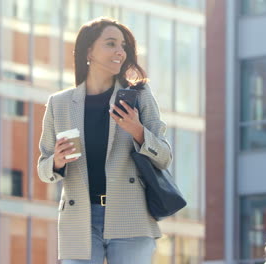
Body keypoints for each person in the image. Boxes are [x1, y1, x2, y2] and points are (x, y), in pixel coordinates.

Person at [37, 17, 172, 264]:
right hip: (80, 219)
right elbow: (43, 168)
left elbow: (164, 157)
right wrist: (56, 161)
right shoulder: (60, 103)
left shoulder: (139, 96)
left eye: (123, 46)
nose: (120, 51)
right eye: (111, 44)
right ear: (89, 50)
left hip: (131, 214)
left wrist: (138, 131)